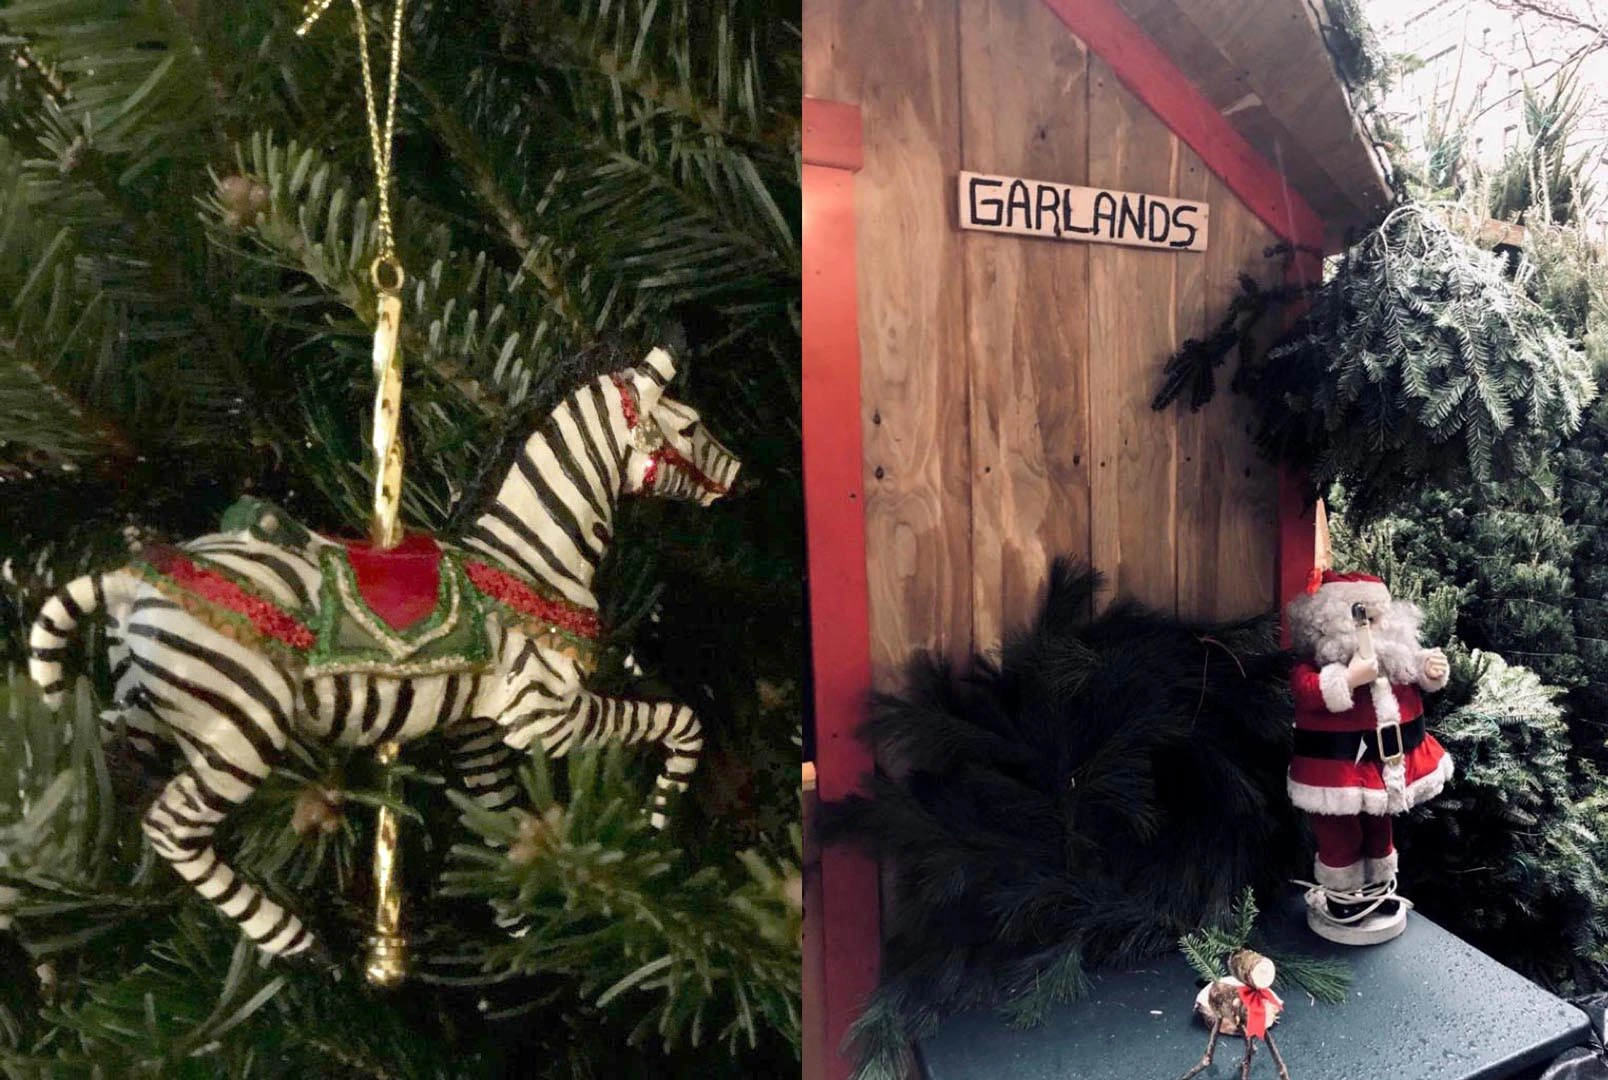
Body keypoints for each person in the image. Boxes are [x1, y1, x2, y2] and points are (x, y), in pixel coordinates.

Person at [1285, 570, 1453, 945]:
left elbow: (1410, 667)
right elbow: (1306, 690)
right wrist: (1346, 680)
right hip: (1334, 774)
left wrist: (1428, 670)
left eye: (1379, 617)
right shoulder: (1313, 665)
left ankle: (1378, 888)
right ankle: (1343, 894)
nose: (1375, 627)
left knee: (1379, 828)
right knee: (1338, 833)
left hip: (1380, 770)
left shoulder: (1393, 657)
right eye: (1364, 618)